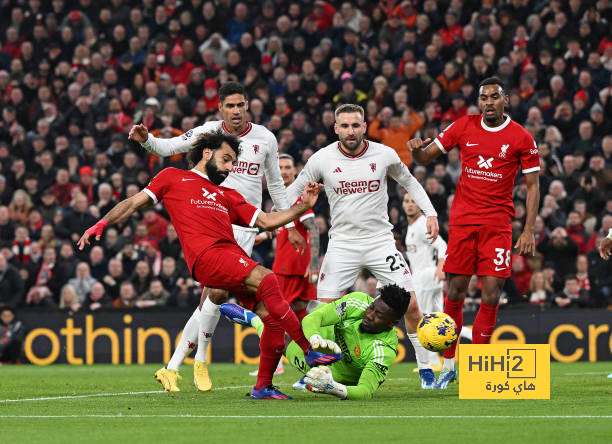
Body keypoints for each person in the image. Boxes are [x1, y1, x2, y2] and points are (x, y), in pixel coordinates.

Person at [78, 130, 341, 400]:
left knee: (271, 319)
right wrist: (102, 223)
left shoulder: (226, 194)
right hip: (207, 256)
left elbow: (265, 221)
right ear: (206, 153)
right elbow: (134, 203)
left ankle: (262, 387)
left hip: (229, 254)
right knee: (268, 278)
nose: (229, 168)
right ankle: (308, 349)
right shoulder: (173, 177)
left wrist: (302, 207)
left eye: (233, 163)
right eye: (226, 159)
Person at [128, 81, 305, 391]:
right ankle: (196, 363)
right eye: (230, 105)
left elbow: (275, 185)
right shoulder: (209, 133)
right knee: (217, 293)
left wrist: (289, 226)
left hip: (248, 225)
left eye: (241, 104)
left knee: (213, 296)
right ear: (221, 108)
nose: (236, 111)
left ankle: (175, 366)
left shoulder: (265, 138)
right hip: (213, 220)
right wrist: (147, 141)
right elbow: (168, 148)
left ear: (248, 105)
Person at [285, 103, 440, 389]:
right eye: (344, 126)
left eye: (356, 125)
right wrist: (285, 225)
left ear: (365, 126)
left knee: (412, 305)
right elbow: (290, 194)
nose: (350, 131)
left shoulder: (384, 154)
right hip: (342, 244)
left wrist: (431, 213)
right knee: (322, 313)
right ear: (335, 128)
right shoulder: (322, 159)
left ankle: (426, 371)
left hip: (380, 241)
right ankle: (317, 373)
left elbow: (411, 183)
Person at [406, 77, 540, 389]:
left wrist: (529, 229)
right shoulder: (463, 126)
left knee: (492, 292)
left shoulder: (521, 137)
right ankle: (449, 367)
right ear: (478, 101)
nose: (489, 102)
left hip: (498, 225)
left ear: (505, 99)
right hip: (464, 222)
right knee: (455, 292)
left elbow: (533, 186)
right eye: (483, 98)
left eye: (494, 97)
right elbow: (426, 158)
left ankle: (479, 370)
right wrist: (416, 150)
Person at [220, 284, 410, 399]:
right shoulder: (358, 302)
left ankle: (255, 320)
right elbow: (312, 321)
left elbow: (365, 390)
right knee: (290, 330)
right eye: (371, 308)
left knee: (281, 341)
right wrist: (314, 341)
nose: (369, 315)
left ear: (392, 323)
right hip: (318, 344)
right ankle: (255, 320)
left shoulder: (384, 350)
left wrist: (333, 388)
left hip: (331, 374)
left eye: (378, 315)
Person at [402, 193, 449, 371]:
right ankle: (472, 337)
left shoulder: (422, 224)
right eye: (407, 201)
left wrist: (440, 267)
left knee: (423, 322)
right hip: (424, 278)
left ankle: (433, 362)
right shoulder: (413, 225)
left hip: (426, 278)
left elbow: (442, 245)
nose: (410, 205)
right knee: (441, 321)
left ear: (420, 205)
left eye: (414, 201)